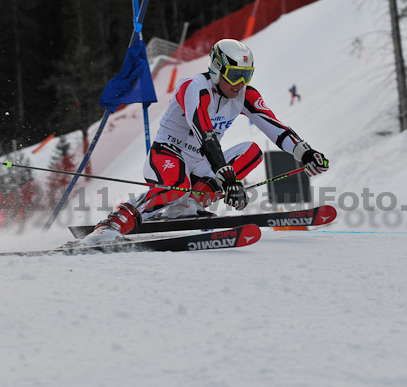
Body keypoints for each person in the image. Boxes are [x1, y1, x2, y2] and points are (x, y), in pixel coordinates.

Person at [84, 39, 329, 243]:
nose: (240, 84)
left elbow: (275, 128)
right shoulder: (195, 87)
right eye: (234, 75)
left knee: (253, 151)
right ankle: (112, 224)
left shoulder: (245, 94)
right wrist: (229, 179)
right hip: (168, 155)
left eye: (246, 76)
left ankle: (190, 203)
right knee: (175, 183)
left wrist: (305, 153)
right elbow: (205, 133)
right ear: (216, 69)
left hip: (202, 163)